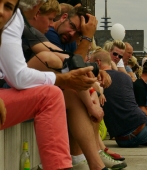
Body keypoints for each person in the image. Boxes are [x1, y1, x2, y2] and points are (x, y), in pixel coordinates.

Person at [20, 2, 126, 169]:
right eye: (49, 19)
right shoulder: (50, 33)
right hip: (23, 83)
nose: (72, 33)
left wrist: (93, 77)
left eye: (78, 33)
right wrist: (86, 39)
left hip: (37, 83)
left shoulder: (55, 36)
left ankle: (93, 162)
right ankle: (89, 156)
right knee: (64, 76)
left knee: (76, 94)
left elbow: (74, 63)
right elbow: (69, 64)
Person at [0, 0, 99, 169]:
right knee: (55, 90)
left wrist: (92, 81)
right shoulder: (30, 24)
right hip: (11, 85)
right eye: (51, 19)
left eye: (8, 6)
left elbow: (68, 60)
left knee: (62, 92)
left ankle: (93, 158)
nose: (2, 11)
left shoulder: (15, 19)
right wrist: (86, 39)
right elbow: (21, 75)